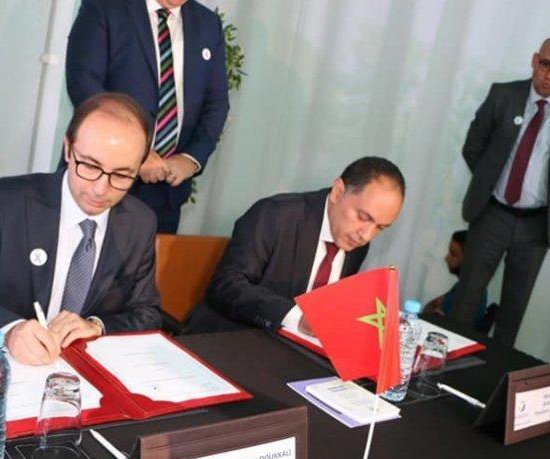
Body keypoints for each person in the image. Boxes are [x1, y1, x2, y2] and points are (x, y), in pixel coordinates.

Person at [0, 93, 161, 365]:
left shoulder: (139, 222)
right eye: (89, 165)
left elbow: (146, 313)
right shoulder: (6, 203)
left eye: (121, 174)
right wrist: (9, 330)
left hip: (82, 372)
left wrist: (97, 326)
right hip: (5, 366)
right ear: (68, 149)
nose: (100, 189)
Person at [451, 35, 550, 346]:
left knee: (512, 312)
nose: (549, 75)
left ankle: (495, 371)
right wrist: (491, 181)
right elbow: (473, 146)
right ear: (534, 60)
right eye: (545, 64)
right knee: (465, 300)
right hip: (492, 215)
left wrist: (542, 194)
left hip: (535, 225)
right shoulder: (503, 95)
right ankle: (444, 364)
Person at [186, 157, 405, 333]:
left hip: (290, 353)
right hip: (228, 339)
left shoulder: (356, 243)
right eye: (363, 217)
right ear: (338, 191)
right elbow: (226, 286)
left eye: (380, 227)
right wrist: (296, 317)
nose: (366, 235)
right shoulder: (275, 215)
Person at [66, 0, 230, 234]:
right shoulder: (106, 6)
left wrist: (191, 158)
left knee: (148, 257)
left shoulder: (207, 24)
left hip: (165, 192)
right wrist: (136, 155)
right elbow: (84, 83)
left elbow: (217, 103)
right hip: (99, 179)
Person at [423, 230, 489, 332]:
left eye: (453, 254)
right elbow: (431, 307)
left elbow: (435, 318)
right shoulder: (462, 286)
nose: (446, 258)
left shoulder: (470, 291)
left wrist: (435, 307)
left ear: (469, 260)